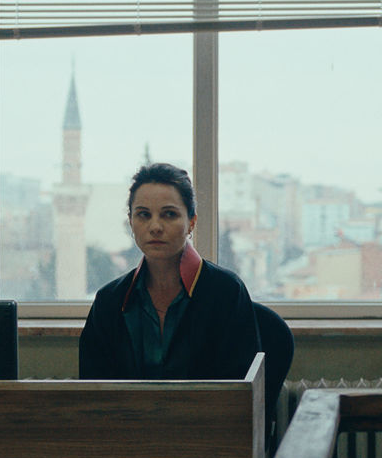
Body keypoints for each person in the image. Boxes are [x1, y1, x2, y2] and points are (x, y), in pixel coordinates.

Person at [79, 163, 261, 381]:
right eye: (143, 215)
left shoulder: (227, 292)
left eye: (169, 214)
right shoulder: (109, 301)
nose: (155, 227)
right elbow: (93, 390)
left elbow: (241, 392)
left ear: (191, 222)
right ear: (131, 222)